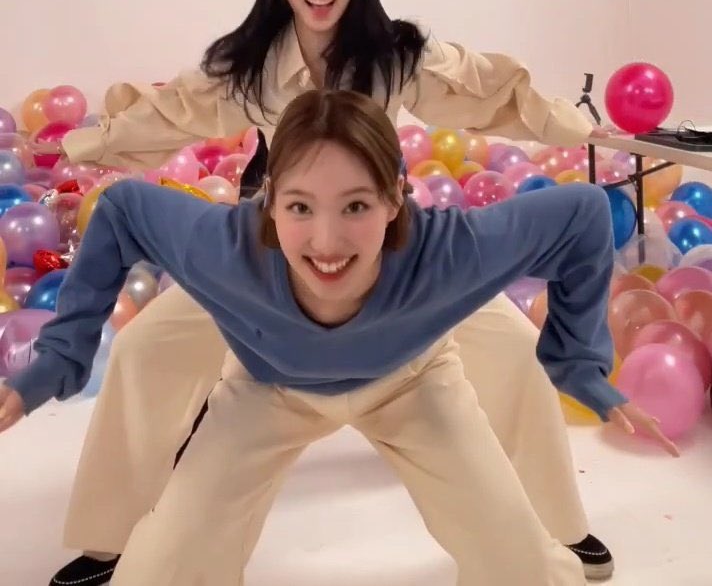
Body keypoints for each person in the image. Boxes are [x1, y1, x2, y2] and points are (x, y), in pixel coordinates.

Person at [40, 0, 614, 585]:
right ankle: (108, 542)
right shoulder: (252, 62)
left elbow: (488, 92)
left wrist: (574, 125)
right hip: (276, 262)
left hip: (389, 261)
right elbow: (173, 111)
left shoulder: (396, 53)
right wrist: (83, 143)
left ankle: (557, 530)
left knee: (516, 346)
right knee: (143, 347)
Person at [0, 89, 676, 586]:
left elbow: (584, 217)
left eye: (355, 205)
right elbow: (121, 212)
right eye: (300, 206)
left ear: (395, 197)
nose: (326, 242)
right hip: (269, 387)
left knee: (519, 565)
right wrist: (56, 361)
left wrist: (578, 365)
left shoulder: (447, 251)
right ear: (270, 201)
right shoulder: (227, 246)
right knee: (165, 569)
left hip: (412, 381)